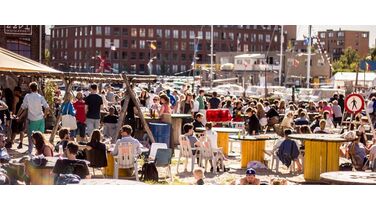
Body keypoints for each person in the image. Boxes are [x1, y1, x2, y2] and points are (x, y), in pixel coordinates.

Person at [17, 82, 50, 154]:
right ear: (37, 88)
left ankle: (30, 152)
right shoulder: (40, 97)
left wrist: (17, 115)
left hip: (31, 120)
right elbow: (47, 107)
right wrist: (44, 115)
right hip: (40, 119)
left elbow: (22, 107)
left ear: (30, 88)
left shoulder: (27, 96)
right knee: (41, 137)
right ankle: (41, 152)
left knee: (31, 138)